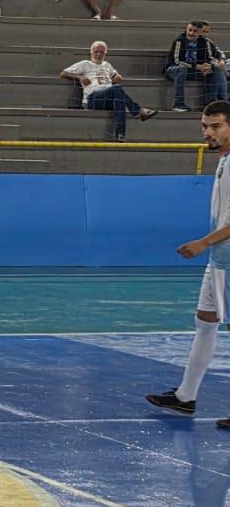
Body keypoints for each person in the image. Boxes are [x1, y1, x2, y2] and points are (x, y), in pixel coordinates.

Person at [147, 102, 230, 422]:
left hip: (225, 259)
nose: (208, 132)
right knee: (205, 323)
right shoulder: (223, 159)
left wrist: (203, 242)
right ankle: (185, 396)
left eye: (216, 126)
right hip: (220, 260)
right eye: (205, 126)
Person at [61, 40, 157, 141]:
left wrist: (117, 76)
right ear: (91, 52)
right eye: (96, 51)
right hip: (92, 99)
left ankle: (120, 134)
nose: (98, 54)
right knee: (117, 88)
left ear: (105, 53)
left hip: (107, 99)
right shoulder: (85, 64)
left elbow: (116, 75)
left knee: (119, 100)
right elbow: (63, 73)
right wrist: (79, 77)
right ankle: (139, 111)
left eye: (101, 52)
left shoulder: (107, 65)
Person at [164, 21, 228, 113]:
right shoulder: (179, 40)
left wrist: (208, 66)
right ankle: (178, 104)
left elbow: (210, 57)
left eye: (195, 31)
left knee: (216, 70)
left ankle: (212, 104)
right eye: (189, 30)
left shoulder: (204, 42)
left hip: (193, 71)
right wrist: (197, 66)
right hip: (174, 69)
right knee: (182, 69)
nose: (191, 33)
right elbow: (177, 61)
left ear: (200, 32)